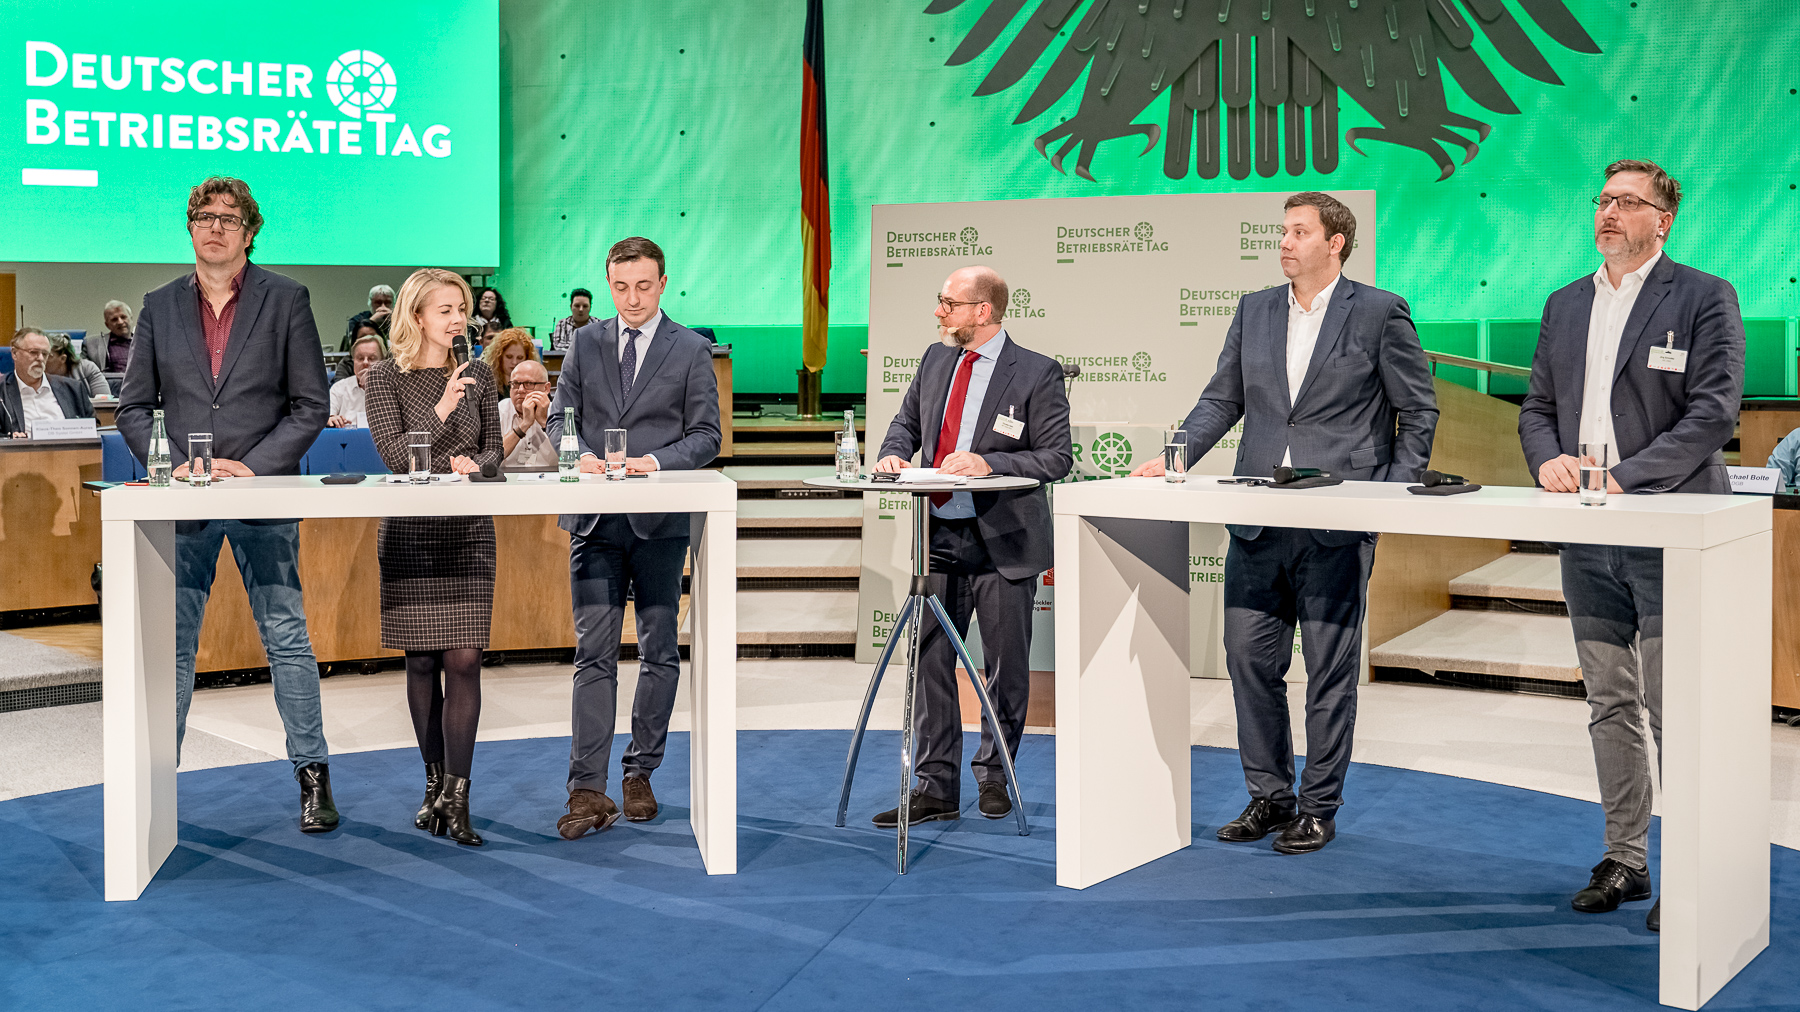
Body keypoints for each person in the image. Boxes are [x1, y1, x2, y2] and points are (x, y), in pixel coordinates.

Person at [1131, 191, 1438, 855]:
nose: (1285, 242)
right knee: (1249, 661)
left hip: (1336, 523)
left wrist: (1391, 491)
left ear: (1336, 243)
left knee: (1329, 672)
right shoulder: (1255, 310)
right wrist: (1176, 456)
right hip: (1258, 519)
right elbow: (1223, 398)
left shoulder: (1380, 312)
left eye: (1300, 232)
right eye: (1283, 231)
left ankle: (1319, 807)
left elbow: (1417, 410)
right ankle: (1270, 795)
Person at [1518, 160, 1744, 933]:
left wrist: (1625, 479)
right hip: (1589, 533)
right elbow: (1537, 405)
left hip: (1671, 526)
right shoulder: (1565, 303)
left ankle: (1691, 864)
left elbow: (1713, 414)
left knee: (1674, 703)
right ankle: (1626, 857)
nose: (1609, 212)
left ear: (1663, 219)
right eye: (1604, 200)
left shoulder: (1704, 296)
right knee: (1609, 699)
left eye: (1627, 202)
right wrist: (1546, 457)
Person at [116, 176, 338, 834]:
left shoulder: (286, 299)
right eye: (202, 217)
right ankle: (160, 781)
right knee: (175, 648)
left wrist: (257, 466)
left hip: (262, 495)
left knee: (287, 638)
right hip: (183, 500)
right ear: (190, 228)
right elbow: (133, 409)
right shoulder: (158, 306)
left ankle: (313, 776)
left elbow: (310, 406)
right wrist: (170, 463)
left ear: (249, 230)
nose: (214, 227)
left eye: (227, 218)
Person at [870, 266, 1073, 826]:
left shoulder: (1036, 372)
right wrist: (893, 452)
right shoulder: (936, 360)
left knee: (1004, 665)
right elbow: (905, 423)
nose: (939, 312)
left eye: (947, 303)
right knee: (930, 658)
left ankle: (995, 775)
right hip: (938, 535)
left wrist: (991, 462)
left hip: (1004, 541)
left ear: (982, 311)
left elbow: (1057, 457)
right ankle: (935, 786)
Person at [547, 236, 721, 837]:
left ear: (663, 282)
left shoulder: (692, 349)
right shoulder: (585, 343)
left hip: (659, 520)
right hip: (593, 519)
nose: (632, 298)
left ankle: (640, 772)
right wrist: (583, 455)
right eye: (621, 287)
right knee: (591, 654)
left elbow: (705, 437)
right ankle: (587, 790)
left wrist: (651, 462)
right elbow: (558, 418)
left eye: (643, 286)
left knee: (658, 651)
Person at [363, 268, 503, 847]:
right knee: (421, 663)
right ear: (416, 316)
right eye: (445, 309)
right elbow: (397, 456)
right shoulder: (385, 380)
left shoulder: (479, 375)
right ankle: (431, 789)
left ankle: (458, 797)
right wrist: (443, 406)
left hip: (467, 528)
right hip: (412, 532)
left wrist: (480, 464)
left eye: (462, 308)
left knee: (464, 661)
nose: (458, 320)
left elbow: (493, 447)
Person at [4, 328, 95, 437]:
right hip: (23, 453)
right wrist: (8, 438)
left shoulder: (73, 388)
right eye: (33, 352)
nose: (40, 358)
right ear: (14, 353)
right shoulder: (2, 392)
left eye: (45, 354)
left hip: (68, 451)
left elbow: (93, 426)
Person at [499, 359, 556, 468]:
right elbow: (491, 456)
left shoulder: (557, 413)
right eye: (515, 384)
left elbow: (572, 457)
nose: (520, 390)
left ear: (546, 388)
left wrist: (545, 423)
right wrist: (524, 425)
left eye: (528, 384)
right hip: (507, 480)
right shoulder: (500, 410)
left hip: (549, 480)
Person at [328, 333, 386, 427]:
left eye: (372, 358)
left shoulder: (393, 389)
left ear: (383, 362)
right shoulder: (339, 388)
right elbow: (327, 418)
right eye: (360, 358)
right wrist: (331, 419)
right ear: (353, 361)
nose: (365, 362)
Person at [45, 332, 112, 398]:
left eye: (47, 356)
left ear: (63, 359)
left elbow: (104, 402)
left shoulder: (86, 368)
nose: (41, 359)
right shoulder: (37, 374)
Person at [481, 326, 539, 401]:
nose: (514, 362)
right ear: (499, 357)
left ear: (527, 358)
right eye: (509, 357)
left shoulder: (537, 384)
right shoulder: (486, 386)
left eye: (520, 358)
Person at [341, 284, 395, 350]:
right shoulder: (356, 320)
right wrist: (371, 322)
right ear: (370, 303)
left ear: (394, 304)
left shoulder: (401, 321)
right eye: (378, 302)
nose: (383, 307)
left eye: (387, 303)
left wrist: (394, 321)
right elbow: (351, 345)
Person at [550, 288, 594, 352]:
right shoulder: (562, 324)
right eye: (577, 306)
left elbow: (603, 347)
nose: (581, 309)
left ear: (590, 307)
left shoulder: (599, 324)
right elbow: (558, 347)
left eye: (585, 306)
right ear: (571, 307)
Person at [100, 300, 135, 373]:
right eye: (114, 319)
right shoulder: (93, 345)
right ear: (107, 325)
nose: (120, 322)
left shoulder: (144, 342)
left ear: (131, 318)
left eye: (123, 317)